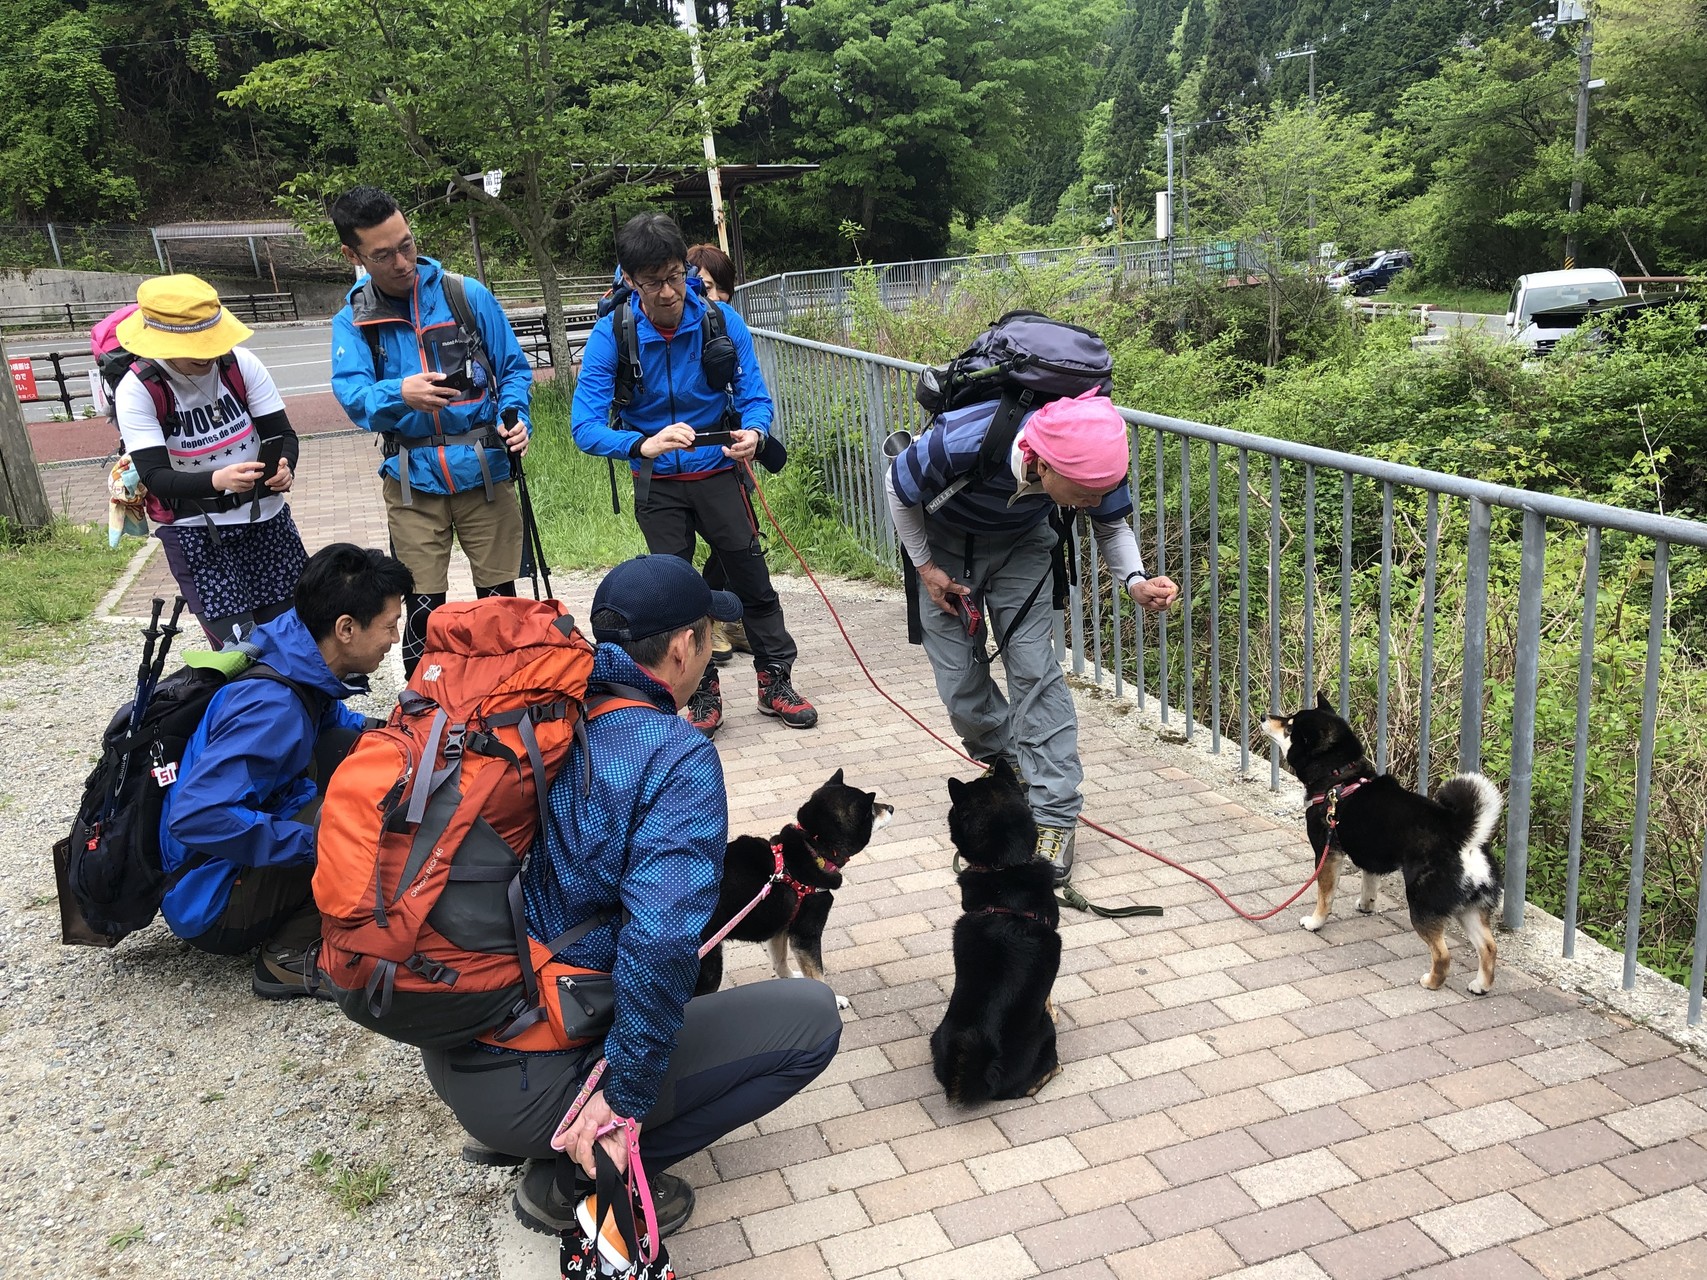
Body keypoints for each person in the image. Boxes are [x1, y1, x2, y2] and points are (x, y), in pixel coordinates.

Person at [419, 554, 843, 1239]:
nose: (711, 657)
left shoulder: (537, 717)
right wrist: (625, 1098)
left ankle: (529, 1130)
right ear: (684, 647)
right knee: (812, 1019)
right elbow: (661, 942)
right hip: (537, 1077)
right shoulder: (673, 754)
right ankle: (576, 1175)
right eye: (712, 639)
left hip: (455, 1035)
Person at [886, 389, 1181, 883]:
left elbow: (1112, 525)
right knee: (961, 686)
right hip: (941, 546)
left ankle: (1054, 817)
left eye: (1101, 490)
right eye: (1086, 492)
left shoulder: (1096, 463)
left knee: (1035, 674)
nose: (1094, 501)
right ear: (1042, 464)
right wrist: (926, 568)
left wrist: (1135, 580)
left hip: (1024, 546)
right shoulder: (963, 440)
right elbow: (897, 487)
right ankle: (1008, 768)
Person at [572, 212, 818, 738]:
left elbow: (754, 397)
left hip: (719, 472)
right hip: (658, 483)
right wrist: (642, 443)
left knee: (752, 578)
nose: (666, 292)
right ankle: (702, 690)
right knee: (677, 596)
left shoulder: (720, 320)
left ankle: (776, 680)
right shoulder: (612, 333)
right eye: (651, 282)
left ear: (686, 267)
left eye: (674, 276)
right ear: (629, 280)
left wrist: (752, 432)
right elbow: (583, 427)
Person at [160, 543, 412, 998]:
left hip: (231, 852)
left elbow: (335, 729)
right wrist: (319, 843)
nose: (395, 638)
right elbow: (196, 815)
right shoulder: (272, 711)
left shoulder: (297, 651)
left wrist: (407, 734)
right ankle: (287, 957)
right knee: (370, 828)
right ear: (347, 629)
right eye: (390, 625)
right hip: (209, 900)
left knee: (377, 776)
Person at [327, 186, 533, 678]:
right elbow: (354, 398)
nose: (401, 262)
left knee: (499, 599)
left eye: (406, 244)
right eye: (383, 254)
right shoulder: (354, 322)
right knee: (419, 605)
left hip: (486, 470)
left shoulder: (464, 295)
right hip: (411, 479)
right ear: (352, 255)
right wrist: (402, 393)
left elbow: (513, 369)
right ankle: (426, 701)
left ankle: (507, 689)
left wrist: (516, 416)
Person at [112, 274, 310, 647]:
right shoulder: (140, 388)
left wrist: (285, 465)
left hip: (267, 520)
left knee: (298, 638)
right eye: (194, 348)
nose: (207, 355)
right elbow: (155, 476)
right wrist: (217, 480)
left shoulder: (239, 363)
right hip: (197, 532)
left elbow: (282, 435)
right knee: (241, 649)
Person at [685, 240, 751, 667]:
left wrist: (755, 432)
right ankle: (708, 622)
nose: (717, 298)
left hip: (728, 450)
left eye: (721, 287)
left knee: (742, 538)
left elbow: (750, 388)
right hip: (681, 465)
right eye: (707, 287)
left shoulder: (727, 323)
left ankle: (729, 618)